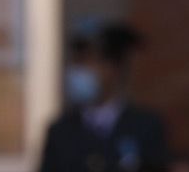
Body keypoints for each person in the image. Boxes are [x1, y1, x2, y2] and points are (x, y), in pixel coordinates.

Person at [37, 20, 170, 172]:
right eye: (78, 62)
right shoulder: (60, 132)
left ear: (115, 68)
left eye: (91, 61)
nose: (81, 70)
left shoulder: (146, 127)